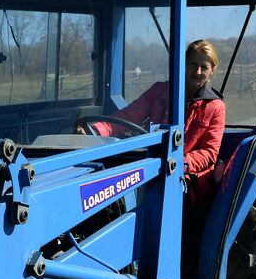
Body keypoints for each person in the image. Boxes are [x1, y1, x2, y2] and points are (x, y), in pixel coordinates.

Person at [87, 39, 226, 203]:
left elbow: (209, 153)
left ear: (212, 71)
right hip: (150, 165)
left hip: (185, 176)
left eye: (204, 67)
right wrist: (96, 131)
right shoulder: (159, 91)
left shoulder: (215, 107)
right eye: (193, 64)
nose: (197, 71)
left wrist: (176, 163)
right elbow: (129, 116)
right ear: (184, 64)